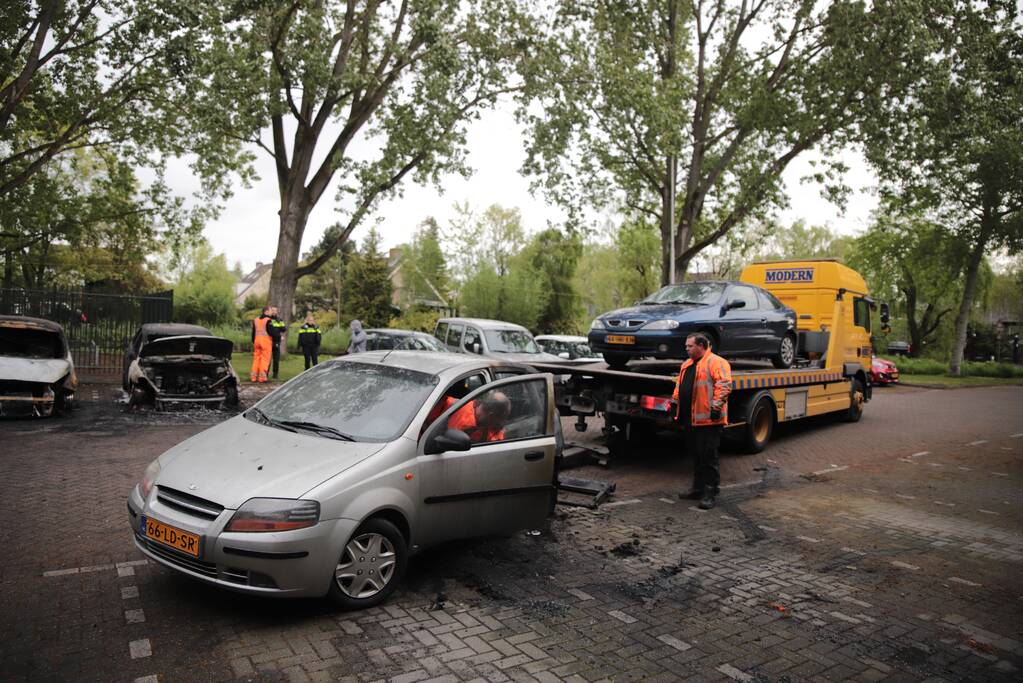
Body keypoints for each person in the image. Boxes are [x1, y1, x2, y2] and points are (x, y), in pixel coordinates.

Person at [673, 332, 732, 509]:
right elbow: (679, 386)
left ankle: (710, 491)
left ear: (701, 346)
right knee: (696, 455)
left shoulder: (716, 362)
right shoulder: (687, 364)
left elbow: (724, 385)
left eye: (690, 346)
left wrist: (715, 408)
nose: (687, 349)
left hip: (709, 421)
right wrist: (674, 403)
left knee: (708, 457)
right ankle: (697, 488)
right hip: (691, 420)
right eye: (686, 346)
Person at [250, 306, 274, 383]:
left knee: (256, 359)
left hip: (257, 341)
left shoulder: (256, 320)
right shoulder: (268, 320)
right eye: (271, 311)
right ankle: (262, 378)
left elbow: (253, 332)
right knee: (265, 359)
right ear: (266, 311)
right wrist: (278, 337)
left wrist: (254, 341)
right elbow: (272, 332)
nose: (272, 312)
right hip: (265, 341)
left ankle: (254, 377)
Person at [267, 306, 286, 380]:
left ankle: (275, 374)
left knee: (276, 359)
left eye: (275, 310)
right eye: (273, 310)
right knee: (268, 359)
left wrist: (280, 324)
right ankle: (266, 373)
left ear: (277, 312)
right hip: (268, 341)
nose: (274, 312)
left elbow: (284, 329)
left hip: (277, 341)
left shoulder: (279, 319)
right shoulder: (268, 319)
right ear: (270, 311)